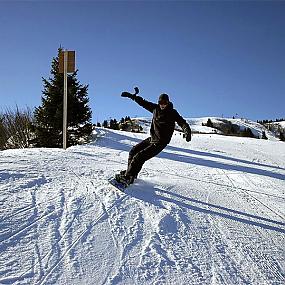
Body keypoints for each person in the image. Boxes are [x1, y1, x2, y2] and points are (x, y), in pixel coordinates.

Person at [116, 90, 192, 186]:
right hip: (152, 138)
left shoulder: (172, 112)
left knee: (139, 157)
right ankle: (130, 174)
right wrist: (132, 96)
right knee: (133, 151)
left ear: (168, 103)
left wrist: (187, 130)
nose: (162, 105)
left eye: (165, 103)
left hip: (160, 142)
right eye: (161, 102)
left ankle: (127, 178)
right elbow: (143, 102)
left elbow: (182, 122)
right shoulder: (155, 109)